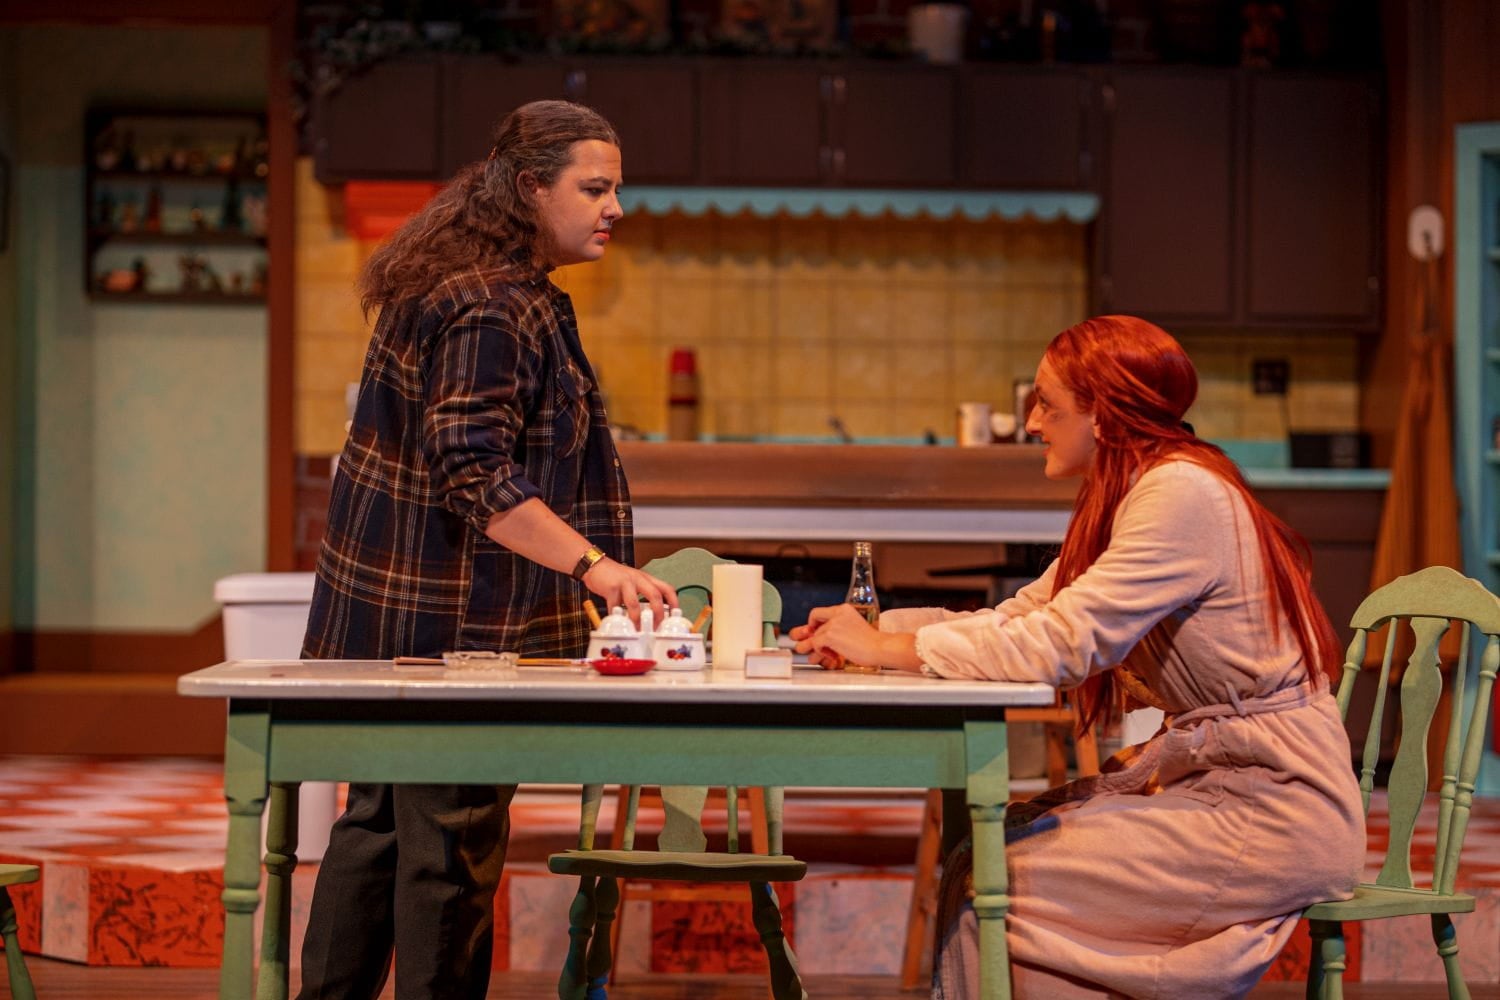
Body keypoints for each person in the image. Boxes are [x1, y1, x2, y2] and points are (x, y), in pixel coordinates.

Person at [791, 315, 1364, 999]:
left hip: (1271, 809)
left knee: (995, 876)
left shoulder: (1180, 494)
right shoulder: (1133, 493)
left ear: (1104, 414)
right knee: (982, 857)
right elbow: (1023, 618)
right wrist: (874, 632)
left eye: (1047, 405)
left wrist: (887, 647)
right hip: (1216, 789)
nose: (1032, 422)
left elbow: (1061, 646)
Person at [296, 100, 676, 1000]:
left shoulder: (472, 280)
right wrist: (596, 567)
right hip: (454, 628)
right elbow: (473, 470)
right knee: (450, 840)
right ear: (530, 187)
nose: (615, 207)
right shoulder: (492, 303)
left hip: (404, 622)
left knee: (380, 829)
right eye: (595, 189)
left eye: (615, 188)